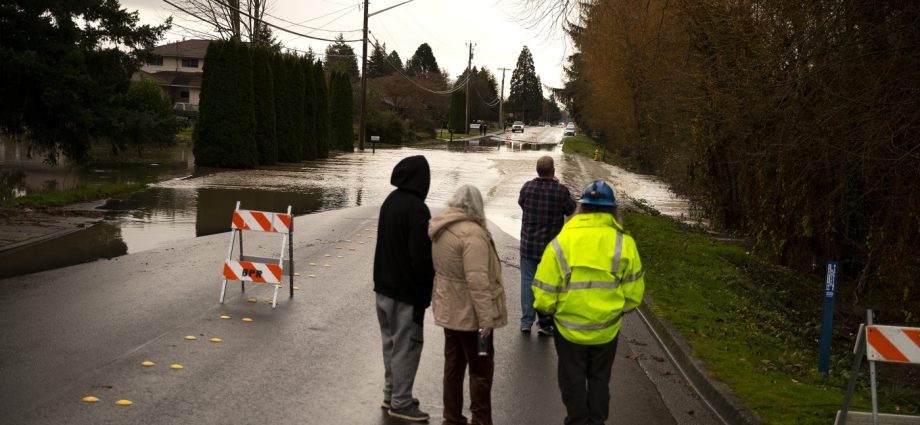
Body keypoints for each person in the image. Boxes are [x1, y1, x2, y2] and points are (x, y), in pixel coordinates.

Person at [532, 180, 645, 425]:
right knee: (599, 380)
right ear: (613, 210)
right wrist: (615, 311)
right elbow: (634, 294)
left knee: (572, 381)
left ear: (581, 208)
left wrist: (549, 311)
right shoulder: (624, 243)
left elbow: (544, 290)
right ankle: (597, 421)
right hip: (606, 329)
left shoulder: (563, 241)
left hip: (569, 328)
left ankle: (577, 420)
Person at [428, 184, 508, 425]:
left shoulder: (443, 229)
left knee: (453, 367)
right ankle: (481, 420)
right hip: (473, 317)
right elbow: (477, 281)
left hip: (450, 311)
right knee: (481, 371)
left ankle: (451, 417)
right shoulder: (473, 234)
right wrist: (486, 320)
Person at [373, 155, 435, 422]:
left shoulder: (390, 201)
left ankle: (391, 394)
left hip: (383, 287)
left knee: (390, 345)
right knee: (407, 347)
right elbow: (420, 258)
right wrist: (425, 292)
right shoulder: (418, 210)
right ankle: (401, 401)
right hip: (406, 292)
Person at [518, 155, 576, 335]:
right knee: (548, 285)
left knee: (528, 282)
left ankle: (526, 322)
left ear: (537, 170)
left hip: (529, 245)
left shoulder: (527, 188)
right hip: (550, 250)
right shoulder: (560, 191)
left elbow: (521, 203)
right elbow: (571, 209)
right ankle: (544, 324)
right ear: (553, 171)